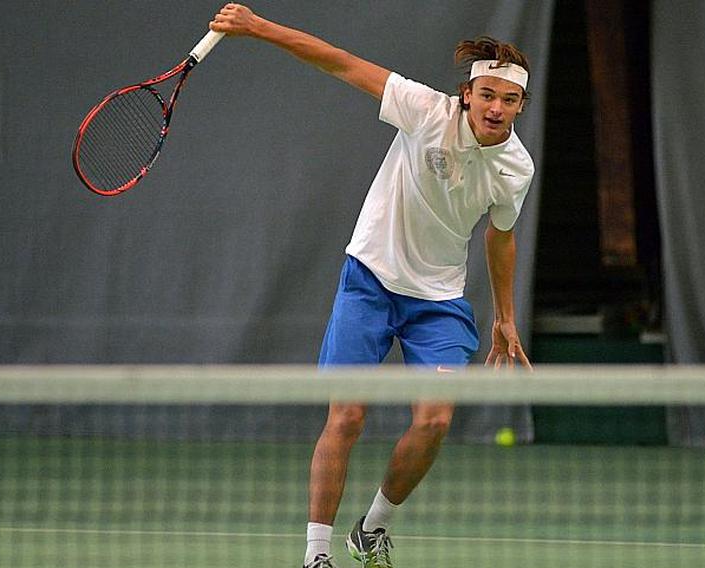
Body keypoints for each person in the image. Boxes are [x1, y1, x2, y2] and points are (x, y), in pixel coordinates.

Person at [210, 4, 535, 568]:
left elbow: (500, 238)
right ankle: (316, 555)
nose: (497, 107)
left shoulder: (516, 168)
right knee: (347, 416)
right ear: (467, 94)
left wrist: (504, 317)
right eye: (487, 95)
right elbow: (338, 62)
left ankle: (373, 526)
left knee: (434, 420)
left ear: (520, 106)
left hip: (438, 301)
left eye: (509, 100)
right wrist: (258, 28)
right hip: (370, 282)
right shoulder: (423, 110)